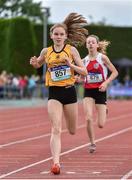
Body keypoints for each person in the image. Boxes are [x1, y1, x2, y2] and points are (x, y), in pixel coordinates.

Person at [30, 13, 88, 174]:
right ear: (51, 35)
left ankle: (70, 133)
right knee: (56, 128)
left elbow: (84, 71)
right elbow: (38, 64)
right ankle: (56, 163)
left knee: (72, 130)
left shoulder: (72, 50)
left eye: (61, 34)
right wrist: (35, 63)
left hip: (69, 93)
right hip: (54, 93)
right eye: (56, 34)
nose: (58, 36)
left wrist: (71, 65)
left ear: (66, 36)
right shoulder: (46, 51)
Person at [82, 34, 118, 153]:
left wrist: (106, 83)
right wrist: (79, 79)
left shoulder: (102, 58)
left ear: (97, 45)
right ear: (86, 45)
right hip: (88, 91)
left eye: (93, 42)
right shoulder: (84, 61)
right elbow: (83, 76)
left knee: (101, 124)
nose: (91, 44)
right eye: (88, 42)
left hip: (100, 91)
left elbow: (115, 72)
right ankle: (92, 143)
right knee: (88, 118)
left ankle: (104, 110)